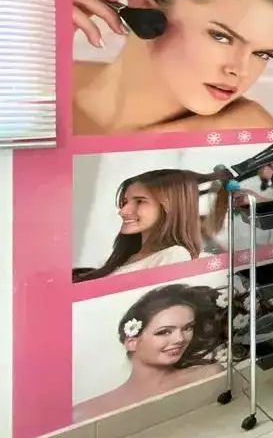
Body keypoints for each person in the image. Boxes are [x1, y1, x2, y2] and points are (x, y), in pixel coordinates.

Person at [70, 0, 273, 134]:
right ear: (143, 9)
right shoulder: (52, 79)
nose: (241, 71)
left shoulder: (246, 132)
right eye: (221, 37)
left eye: (262, 54)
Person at [73, 284, 224, 422]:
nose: (180, 339)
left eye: (187, 328)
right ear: (132, 342)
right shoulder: (85, 412)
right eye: (164, 332)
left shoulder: (206, 376)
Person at [73, 170, 203, 282]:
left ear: (170, 207)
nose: (123, 211)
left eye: (140, 201)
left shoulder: (174, 255)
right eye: (125, 202)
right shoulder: (126, 256)